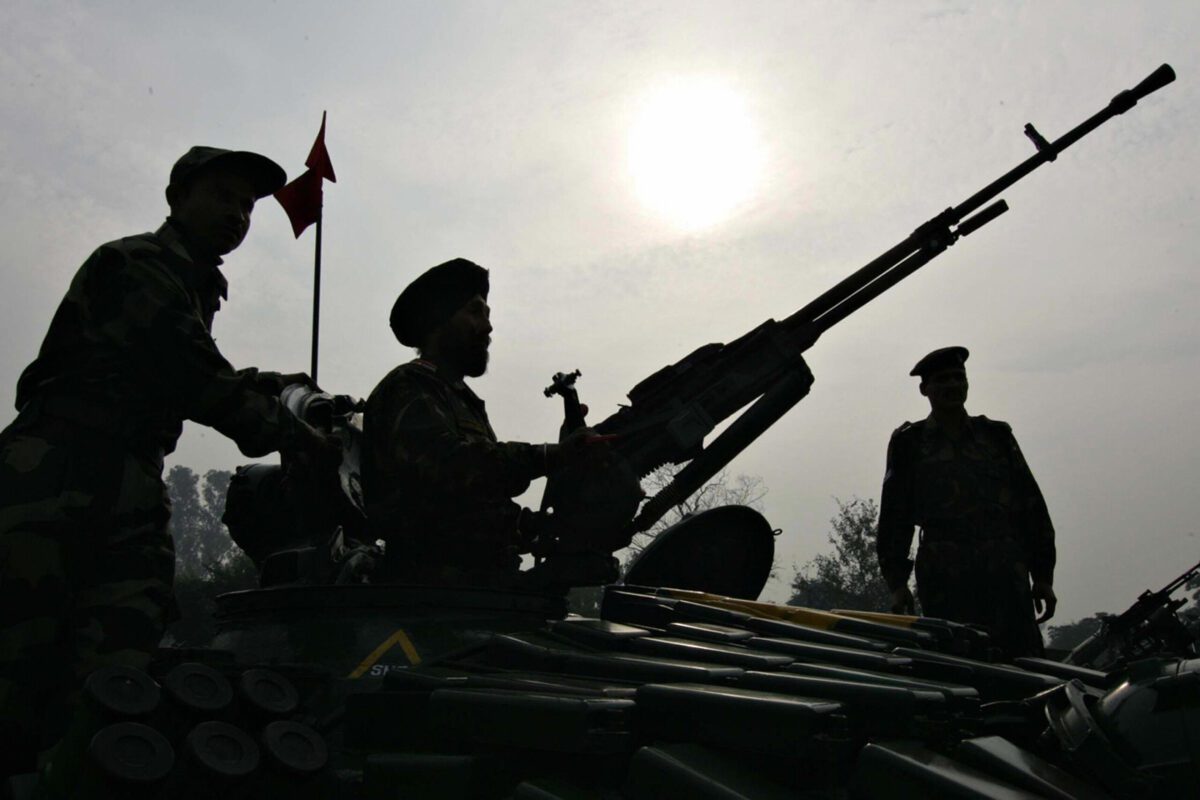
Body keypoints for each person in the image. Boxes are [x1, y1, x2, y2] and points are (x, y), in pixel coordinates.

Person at [0, 146, 335, 775]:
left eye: (247, 205)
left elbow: (190, 371)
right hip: (56, 478)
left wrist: (278, 389)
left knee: (109, 674)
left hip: (123, 479)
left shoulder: (190, 282)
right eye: (223, 197)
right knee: (20, 662)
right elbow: (194, 376)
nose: (238, 214)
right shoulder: (138, 263)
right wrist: (291, 430)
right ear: (178, 198)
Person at [363, 258, 594, 587]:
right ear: (438, 319)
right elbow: (453, 468)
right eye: (474, 312)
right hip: (428, 600)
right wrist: (547, 456)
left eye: (488, 315)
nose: (487, 327)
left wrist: (538, 527)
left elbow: (478, 504)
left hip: (478, 593)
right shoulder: (408, 387)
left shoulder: (460, 399)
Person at [875, 346, 1056, 659]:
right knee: (957, 664)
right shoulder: (910, 442)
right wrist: (897, 584)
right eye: (942, 380)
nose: (952, 386)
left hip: (1004, 571)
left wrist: (1042, 576)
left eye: (959, 378)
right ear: (924, 389)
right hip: (945, 574)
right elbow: (895, 516)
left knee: (1023, 662)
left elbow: (1031, 506)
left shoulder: (996, 436)